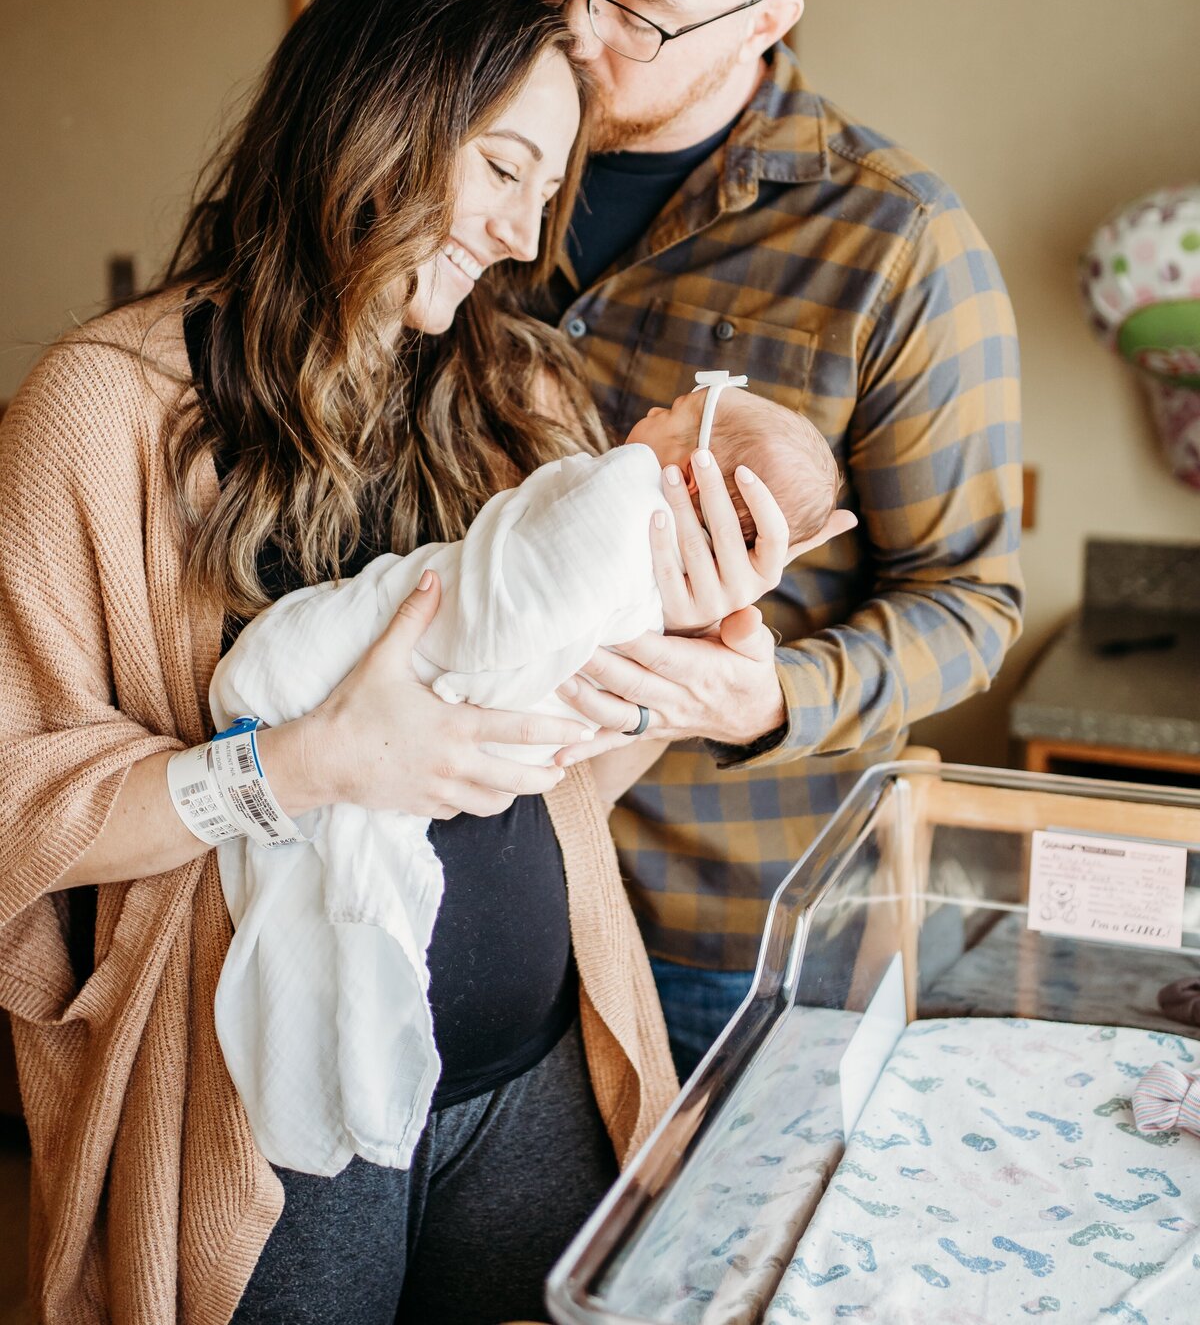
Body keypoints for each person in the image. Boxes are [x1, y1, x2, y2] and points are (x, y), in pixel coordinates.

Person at [0, 0, 679, 1325]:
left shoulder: (525, 392)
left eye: (544, 190)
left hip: (538, 1081)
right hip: (261, 1105)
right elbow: (15, 805)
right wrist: (299, 767)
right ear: (379, 121)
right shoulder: (103, 412)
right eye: (501, 169)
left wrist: (683, 672)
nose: (519, 228)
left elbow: (577, 771)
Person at [506, 0, 1025, 1078]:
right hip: (460, 851)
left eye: (638, 11)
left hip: (718, 916)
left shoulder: (895, 240)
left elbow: (970, 600)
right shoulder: (454, 158)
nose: (571, 31)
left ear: (764, 20)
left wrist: (767, 698)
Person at [207, 370, 846, 1181]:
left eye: (678, 414)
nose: (648, 408)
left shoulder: (621, 497)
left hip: (544, 1048)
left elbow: (518, 630)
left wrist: (709, 663)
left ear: (689, 477)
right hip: (329, 726)